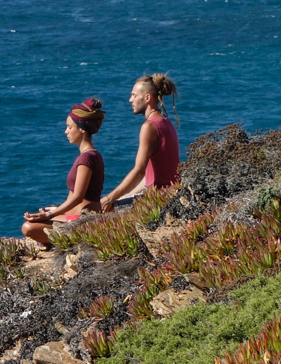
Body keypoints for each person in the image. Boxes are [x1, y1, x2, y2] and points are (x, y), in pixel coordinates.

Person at [22, 99, 106, 247]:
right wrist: (58, 210)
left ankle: (63, 242)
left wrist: (50, 215)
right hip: (73, 217)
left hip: (82, 222)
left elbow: (78, 197)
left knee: (28, 228)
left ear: (82, 129)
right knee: (34, 222)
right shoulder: (93, 155)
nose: (66, 131)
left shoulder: (87, 158)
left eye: (69, 127)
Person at [100, 74, 180, 212]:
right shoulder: (166, 122)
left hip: (157, 200)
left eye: (134, 95)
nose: (130, 100)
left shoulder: (149, 127)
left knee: (98, 209)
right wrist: (127, 195)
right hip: (170, 194)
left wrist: (109, 199)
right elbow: (151, 175)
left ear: (147, 98)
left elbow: (139, 170)